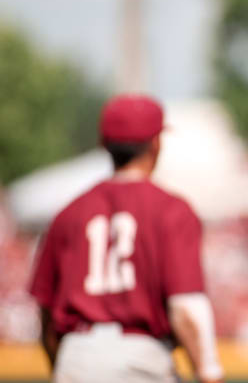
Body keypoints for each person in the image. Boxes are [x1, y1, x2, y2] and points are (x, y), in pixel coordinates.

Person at [29, 94, 225, 383]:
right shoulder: (171, 209)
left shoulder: (68, 213)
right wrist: (209, 372)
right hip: (139, 358)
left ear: (103, 144)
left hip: (75, 354)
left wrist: (66, 366)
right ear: (156, 144)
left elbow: (45, 313)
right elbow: (185, 308)